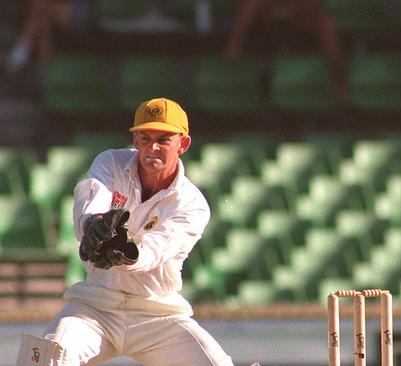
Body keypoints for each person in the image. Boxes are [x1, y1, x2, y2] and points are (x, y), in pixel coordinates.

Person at [16, 98, 236, 365]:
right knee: (45, 356)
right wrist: (92, 224)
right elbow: (91, 195)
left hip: (157, 313)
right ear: (135, 140)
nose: (152, 147)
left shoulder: (192, 204)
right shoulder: (111, 162)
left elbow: (160, 247)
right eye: (145, 137)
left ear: (183, 144)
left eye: (163, 139)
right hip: (96, 306)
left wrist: (128, 254)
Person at [223, 0, 347, 104]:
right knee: (251, 3)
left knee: (326, 24)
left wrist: (292, 8)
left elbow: (311, 6)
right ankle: (234, 44)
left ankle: (339, 82)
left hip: (296, 14)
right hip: (267, 15)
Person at [4, 0, 93, 74]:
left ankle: (24, 47)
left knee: (40, 6)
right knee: (43, 11)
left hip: (79, 7)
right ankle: (43, 63)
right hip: (53, 6)